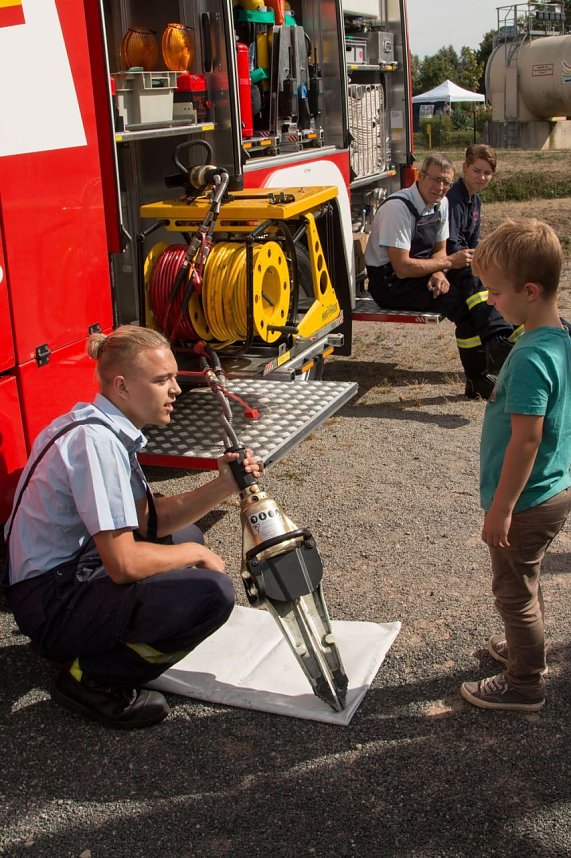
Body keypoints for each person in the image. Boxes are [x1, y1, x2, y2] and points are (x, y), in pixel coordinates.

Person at [3, 325, 263, 729]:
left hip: (60, 577)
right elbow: (123, 564)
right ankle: (93, 679)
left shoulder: (101, 427)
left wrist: (223, 485)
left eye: (174, 377)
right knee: (211, 595)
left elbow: (148, 521)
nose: (175, 389)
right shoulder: (97, 443)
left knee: (185, 535)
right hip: (50, 603)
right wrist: (196, 555)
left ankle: (88, 641)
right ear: (122, 386)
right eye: (162, 380)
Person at [460, 219, 571, 712]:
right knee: (526, 580)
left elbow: (527, 440)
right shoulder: (560, 336)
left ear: (529, 291)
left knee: (513, 592)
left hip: (526, 500)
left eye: (496, 292)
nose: (490, 301)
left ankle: (524, 683)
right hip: (552, 488)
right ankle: (526, 647)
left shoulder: (529, 357)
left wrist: (501, 509)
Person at [365, 153, 503, 399]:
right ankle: (485, 364)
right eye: (435, 179)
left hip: (420, 273)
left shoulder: (442, 203)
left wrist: (439, 271)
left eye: (446, 182)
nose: (440, 187)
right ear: (420, 176)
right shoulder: (398, 208)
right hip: (391, 284)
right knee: (462, 305)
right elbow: (402, 267)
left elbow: (439, 249)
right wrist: (447, 263)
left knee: (472, 275)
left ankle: (494, 346)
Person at [446, 143, 521, 375]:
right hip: (449, 264)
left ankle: (518, 332)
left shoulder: (475, 201)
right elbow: (451, 244)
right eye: (477, 171)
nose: (482, 177)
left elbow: (474, 242)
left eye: (487, 173)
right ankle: (497, 339)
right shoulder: (453, 199)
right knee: (479, 280)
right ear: (464, 168)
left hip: (465, 260)